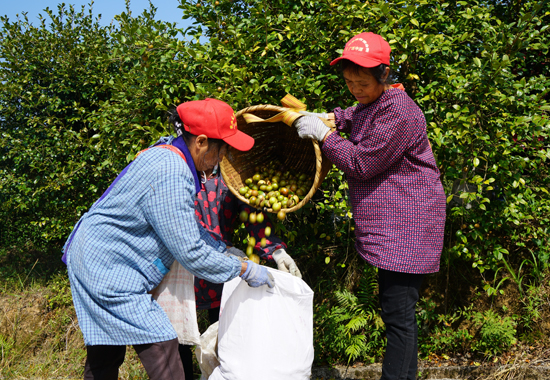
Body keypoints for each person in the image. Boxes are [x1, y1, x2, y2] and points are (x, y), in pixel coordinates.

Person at [62, 98, 275, 380]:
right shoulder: (172, 172)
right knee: (162, 345)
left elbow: (185, 227)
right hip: (108, 267)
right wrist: (244, 268)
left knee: (105, 353)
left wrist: (224, 249)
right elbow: (191, 253)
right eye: (223, 148)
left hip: (94, 255)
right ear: (201, 141)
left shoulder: (169, 153)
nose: (224, 157)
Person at [293, 32, 446, 380]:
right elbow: (352, 115)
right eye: (349, 83)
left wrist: (324, 135)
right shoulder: (374, 104)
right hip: (395, 226)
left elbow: (362, 163)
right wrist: (328, 118)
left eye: (362, 82)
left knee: (398, 316)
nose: (355, 90)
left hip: (408, 225)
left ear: (383, 74)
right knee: (399, 316)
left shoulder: (400, 111)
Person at [168, 106, 302, 377]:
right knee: (177, 349)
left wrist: (276, 251)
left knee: (224, 344)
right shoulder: (175, 170)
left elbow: (254, 216)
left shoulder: (231, 175)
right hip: (181, 278)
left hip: (222, 276)